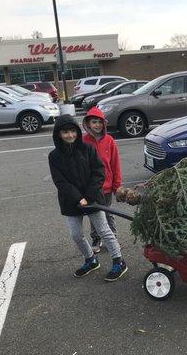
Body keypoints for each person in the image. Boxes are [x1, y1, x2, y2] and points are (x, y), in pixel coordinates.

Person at [48, 114, 128, 281]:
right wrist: (78, 198)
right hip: (70, 201)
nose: (70, 135)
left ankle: (119, 262)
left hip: (92, 198)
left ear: (77, 131)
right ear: (58, 134)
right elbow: (60, 181)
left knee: (104, 230)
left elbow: (99, 173)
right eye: (65, 132)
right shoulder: (54, 156)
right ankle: (90, 259)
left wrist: (89, 196)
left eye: (72, 131)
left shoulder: (88, 149)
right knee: (76, 235)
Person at [82, 107, 122, 253]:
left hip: (106, 187)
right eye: (94, 122)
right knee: (94, 214)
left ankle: (113, 238)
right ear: (88, 123)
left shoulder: (110, 141)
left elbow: (115, 164)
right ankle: (96, 237)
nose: (97, 125)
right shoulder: (83, 141)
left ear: (104, 123)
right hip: (91, 187)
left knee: (108, 213)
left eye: (100, 122)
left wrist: (116, 185)